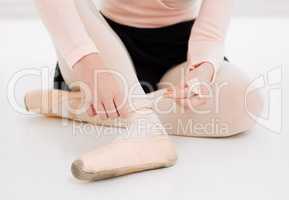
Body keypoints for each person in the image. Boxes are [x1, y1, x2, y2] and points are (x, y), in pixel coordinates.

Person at [33, 0, 263, 181]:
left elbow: (211, 34)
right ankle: (144, 128)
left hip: (180, 53)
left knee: (246, 101)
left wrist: (202, 70)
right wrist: (89, 65)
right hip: (104, 53)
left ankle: (78, 107)